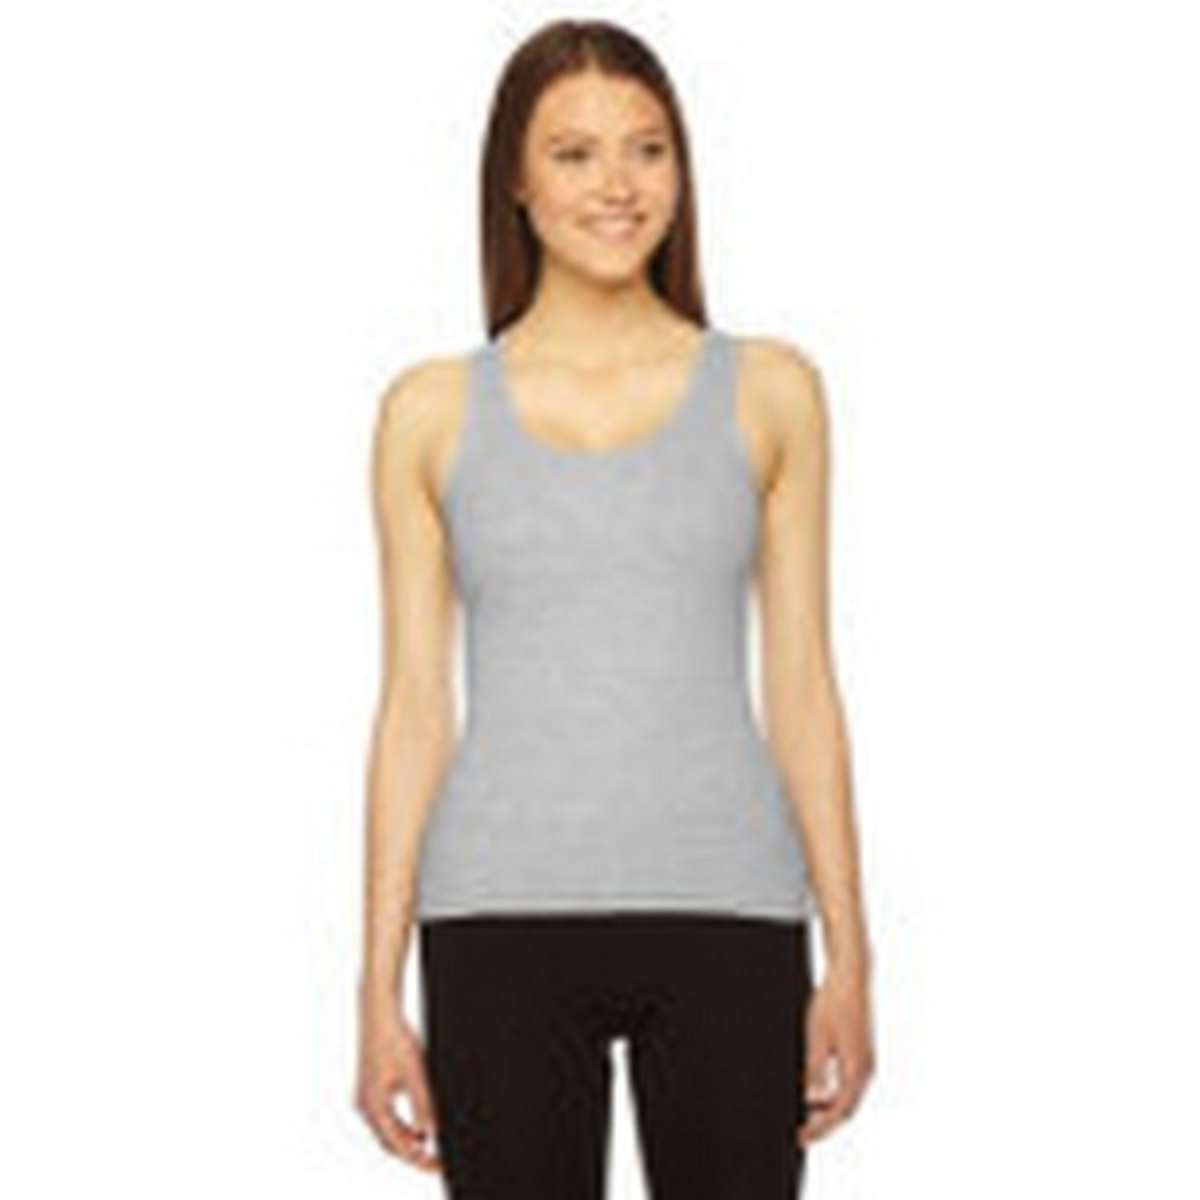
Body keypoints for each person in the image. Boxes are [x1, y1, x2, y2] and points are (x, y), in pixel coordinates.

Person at [355, 17, 874, 1198]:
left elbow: (803, 683)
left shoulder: (773, 392)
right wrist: (376, 988)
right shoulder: (428, 413)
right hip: (497, 913)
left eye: (647, 149)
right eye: (575, 153)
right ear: (516, 181)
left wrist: (852, 954)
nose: (618, 185)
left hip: (732, 905)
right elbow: (413, 708)